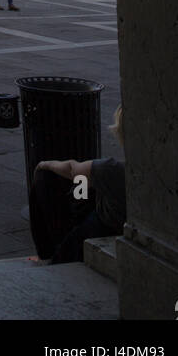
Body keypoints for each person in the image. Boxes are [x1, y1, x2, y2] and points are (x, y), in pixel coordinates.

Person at [28, 106, 126, 264]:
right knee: (83, 183)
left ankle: (47, 254)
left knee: (47, 177)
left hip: (103, 226)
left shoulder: (112, 169)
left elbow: (72, 169)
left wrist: (44, 164)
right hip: (116, 218)